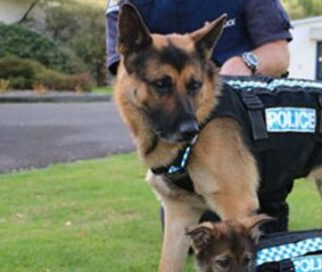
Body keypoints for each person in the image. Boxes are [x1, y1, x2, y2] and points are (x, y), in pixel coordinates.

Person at [105, 0, 294, 231]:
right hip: (181, 152)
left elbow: (278, 53)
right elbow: (126, 74)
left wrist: (245, 63)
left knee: (256, 240)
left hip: (250, 135)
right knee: (194, 236)